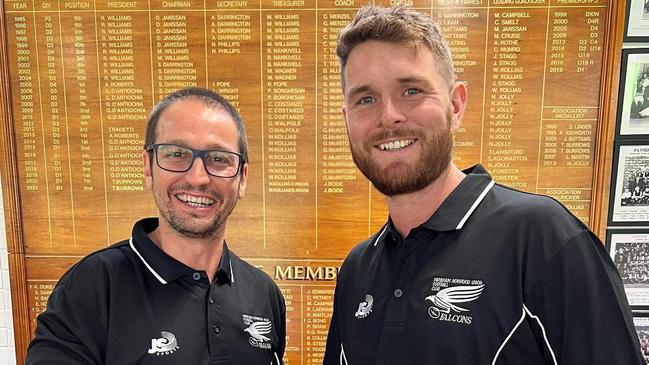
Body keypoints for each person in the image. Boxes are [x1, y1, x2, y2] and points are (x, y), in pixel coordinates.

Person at [323, 5, 643, 364]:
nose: (388, 116)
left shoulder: (542, 239)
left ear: (456, 105)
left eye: (411, 91)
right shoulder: (357, 270)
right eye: (366, 99)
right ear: (347, 119)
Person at [26, 87, 286, 364]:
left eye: (219, 159)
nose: (198, 177)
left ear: (242, 178)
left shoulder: (263, 293)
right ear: (148, 167)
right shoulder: (92, 286)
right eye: (176, 154)